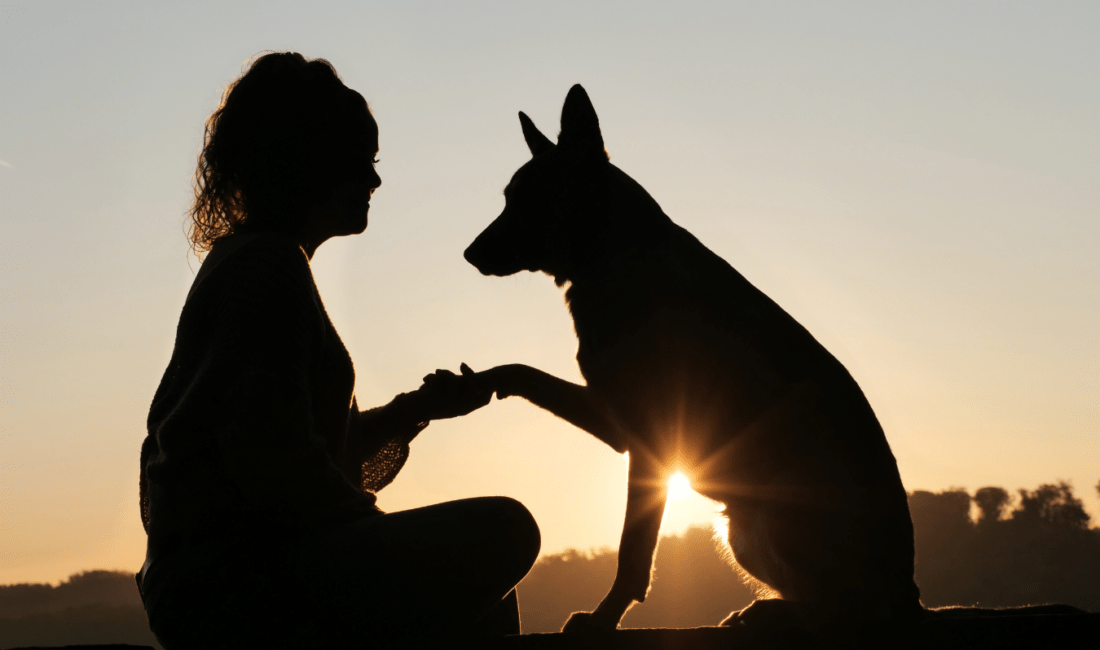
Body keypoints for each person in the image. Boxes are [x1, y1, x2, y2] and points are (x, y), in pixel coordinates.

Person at [136, 52, 540, 648]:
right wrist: (377, 533)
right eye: (359, 163)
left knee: (487, 603)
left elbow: (304, 451)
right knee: (508, 530)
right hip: (227, 583)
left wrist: (410, 413)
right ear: (303, 161)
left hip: (222, 579)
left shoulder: (264, 261)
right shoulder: (265, 266)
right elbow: (274, 464)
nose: (374, 181)